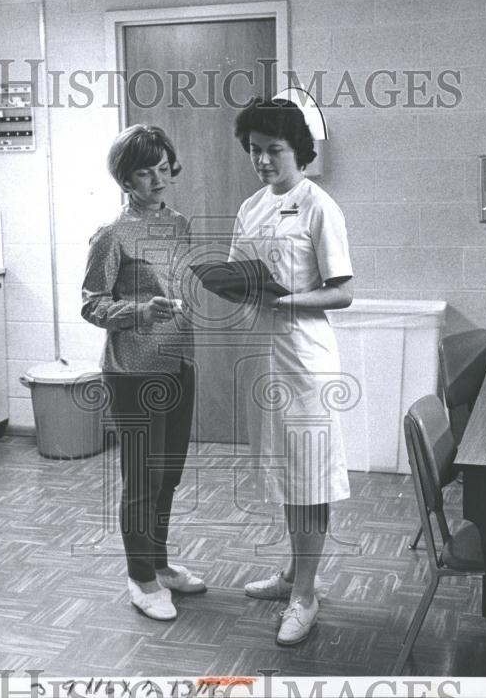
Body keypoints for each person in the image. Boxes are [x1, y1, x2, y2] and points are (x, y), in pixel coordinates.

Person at [229, 98, 354, 646]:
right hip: (266, 354)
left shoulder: (319, 206)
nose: (262, 161)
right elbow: (238, 274)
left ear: (297, 150)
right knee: (285, 471)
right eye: (254, 151)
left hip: (305, 356)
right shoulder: (251, 207)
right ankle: (292, 574)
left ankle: (306, 592)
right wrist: (233, 287)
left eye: (273, 150)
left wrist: (288, 301)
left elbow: (343, 291)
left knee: (310, 475)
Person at [81, 124, 204, 622]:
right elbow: (92, 305)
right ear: (125, 181)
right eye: (143, 173)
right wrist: (138, 312)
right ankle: (140, 577)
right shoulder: (111, 236)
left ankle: (159, 562)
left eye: (162, 168)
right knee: (141, 480)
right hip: (132, 372)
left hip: (178, 363)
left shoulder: (178, 224)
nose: (157, 180)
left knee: (168, 475)